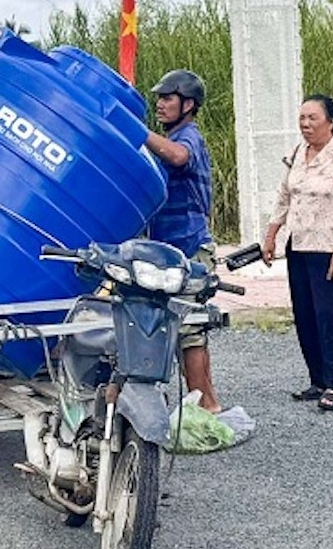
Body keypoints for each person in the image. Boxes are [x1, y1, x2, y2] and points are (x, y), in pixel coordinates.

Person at [262, 95, 333, 412]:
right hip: (299, 244)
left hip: (329, 248)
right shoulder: (298, 154)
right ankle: (316, 379)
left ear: (330, 121)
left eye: (313, 118)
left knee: (329, 317)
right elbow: (284, 195)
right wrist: (272, 233)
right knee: (305, 315)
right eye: (302, 118)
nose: (306, 125)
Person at [142, 69, 223, 414]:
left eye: (167, 98)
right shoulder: (172, 137)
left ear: (188, 104)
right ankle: (200, 404)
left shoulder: (188, 137)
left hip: (190, 251)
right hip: (166, 254)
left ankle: (206, 409)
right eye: (158, 98)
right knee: (165, 330)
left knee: (190, 331)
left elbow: (179, 157)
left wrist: (139, 131)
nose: (160, 104)